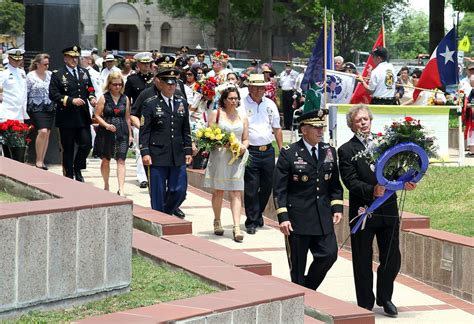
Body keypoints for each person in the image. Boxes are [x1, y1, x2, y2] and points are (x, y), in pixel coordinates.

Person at [337, 105, 417, 317]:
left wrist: (406, 181)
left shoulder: (385, 145)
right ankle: (365, 302)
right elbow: (350, 181)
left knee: (392, 257)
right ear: (351, 124)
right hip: (363, 211)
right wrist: (372, 190)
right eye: (358, 120)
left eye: (366, 119)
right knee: (362, 259)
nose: (363, 122)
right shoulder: (346, 150)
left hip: (388, 210)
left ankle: (385, 297)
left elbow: (397, 170)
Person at [273, 109, 343, 290]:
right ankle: (300, 295)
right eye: (315, 127)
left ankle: (308, 288)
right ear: (304, 130)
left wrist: (337, 208)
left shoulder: (329, 151)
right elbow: (280, 189)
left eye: (322, 127)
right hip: (298, 220)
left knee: (329, 254)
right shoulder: (289, 153)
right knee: (297, 267)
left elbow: (335, 185)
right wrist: (283, 217)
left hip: (322, 218)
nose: (320, 131)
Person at [138, 68, 193, 216]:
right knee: (158, 193)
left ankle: (167, 213)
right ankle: (159, 219)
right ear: (160, 84)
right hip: (157, 154)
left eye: (173, 83)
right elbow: (145, 131)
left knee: (180, 190)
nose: (171, 86)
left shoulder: (181, 102)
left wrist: (188, 150)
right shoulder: (150, 103)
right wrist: (145, 152)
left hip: (177, 153)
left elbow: (185, 128)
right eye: (167, 83)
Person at [204, 86, 249, 242]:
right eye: (231, 98)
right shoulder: (216, 114)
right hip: (220, 156)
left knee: (236, 191)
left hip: (236, 158)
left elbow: (246, 138)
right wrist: (222, 142)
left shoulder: (242, 116)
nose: (234, 101)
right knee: (219, 191)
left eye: (236, 98)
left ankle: (236, 226)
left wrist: (243, 147)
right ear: (224, 99)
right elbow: (208, 135)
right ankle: (217, 220)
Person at [241, 74, 283, 234]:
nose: (259, 90)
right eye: (256, 87)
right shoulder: (242, 104)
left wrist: (281, 149)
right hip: (251, 150)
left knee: (267, 186)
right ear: (250, 87)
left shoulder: (270, 104)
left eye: (262, 87)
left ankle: (258, 213)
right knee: (251, 187)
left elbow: (277, 128)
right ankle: (251, 220)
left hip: (268, 151)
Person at [49, 45, 97, 181]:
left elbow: (90, 88)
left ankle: (78, 168)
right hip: (66, 117)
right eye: (71, 57)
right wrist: (70, 100)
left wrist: (92, 97)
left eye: (76, 57)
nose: (74, 60)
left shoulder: (84, 72)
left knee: (87, 144)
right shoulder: (57, 74)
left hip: (82, 116)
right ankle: (69, 174)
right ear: (65, 58)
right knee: (68, 148)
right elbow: (53, 94)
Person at [93, 71, 133, 196]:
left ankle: (121, 188)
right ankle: (106, 184)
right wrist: (106, 125)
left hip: (122, 132)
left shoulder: (125, 98)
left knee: (121, 160)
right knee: (106, 159)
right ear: (109, 85)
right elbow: (97, 115)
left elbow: (127, 117)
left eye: (120, 84)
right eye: (115, 84)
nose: (117, 87)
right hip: (106, 132)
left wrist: (130, 134)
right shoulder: (104, 97)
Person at [125, 51, 154, 189]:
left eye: (148, 63)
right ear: (138, 64)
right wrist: (128, 119)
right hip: (138, 117)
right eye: (143, 63)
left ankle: (151, 174)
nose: (146, 66)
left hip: (154, 118)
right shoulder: (132, 80)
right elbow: (127, 101)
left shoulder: (155, 79)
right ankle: (142, 177)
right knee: (139, 148)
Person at [26, 53, 55, 170]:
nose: (46, 67)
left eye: (48, 64)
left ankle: (42, 160)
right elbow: (26, 92)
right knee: (42, 131)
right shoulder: (30, 76)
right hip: (36, 107)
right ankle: (38, 160)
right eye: (44, 64)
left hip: (49, 107)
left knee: (47, 133)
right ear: (37, 64)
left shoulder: (51, 75)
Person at [0, 49, 28, 158]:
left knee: (18, 145)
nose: (17, 62)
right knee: (9, 146)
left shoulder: (22, 72)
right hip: (7, 113)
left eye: (19, 60)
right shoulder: (3, 72)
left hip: (19, 113)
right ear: (9, 58)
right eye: (15, 59)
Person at [279, 62, 299, 129]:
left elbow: (297, 84)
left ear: (291, 66)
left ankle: (291, 125)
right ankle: (286, 125)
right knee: (285, 109)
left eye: (289, 66)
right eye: (287, 66)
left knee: (292, 109)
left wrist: (295, 94)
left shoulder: (295, 74)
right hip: (284, 91)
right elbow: (281, 83)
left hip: (292, 92)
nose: (288, 67)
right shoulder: (282, 73)